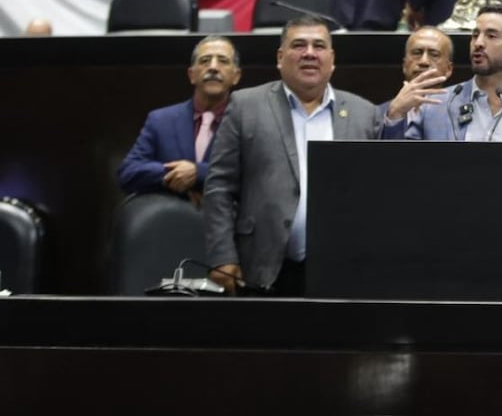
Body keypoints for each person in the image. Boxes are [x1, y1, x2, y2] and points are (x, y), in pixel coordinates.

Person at [203, 15, 380, 296]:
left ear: (332, 58)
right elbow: (219, 187)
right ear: (280, 57)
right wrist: (222, 255)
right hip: (262, 268)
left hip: (342, 270)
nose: (309, 53)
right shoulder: (246, 105)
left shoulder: (364, 113)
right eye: (299, 45)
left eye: (319, 46)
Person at [383, 4, 502, 141]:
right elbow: (401, 169)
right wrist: (395, 115)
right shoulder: (435, 105)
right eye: (475, 35)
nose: (479, 43)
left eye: (491, 36)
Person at [117, 35, 242, 206]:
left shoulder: (249, 121)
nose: (213, 67)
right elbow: (128, 172)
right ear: (192, 75)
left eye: (223, 61)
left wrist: (199, 174)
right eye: (205, 60)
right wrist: (176, 176)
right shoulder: (161, 120)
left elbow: (257, 175)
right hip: (174, 219)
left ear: (236, 76)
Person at [376, 26, 454, 121]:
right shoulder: (376, 115)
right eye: (417, 53)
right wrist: (394, 114)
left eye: (434, 54)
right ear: (405, 65)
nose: (424, 61)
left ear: (448, 69)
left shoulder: (459, 112)